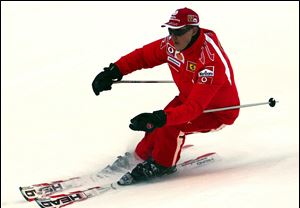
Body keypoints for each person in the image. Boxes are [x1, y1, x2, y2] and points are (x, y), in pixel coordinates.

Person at [92, 7, 240, 185]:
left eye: (179, 31)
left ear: (193, 30)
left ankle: (163, 165)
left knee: (170, 124)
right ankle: (138, 157)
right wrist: (114, 71)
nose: (173, 36)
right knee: (156, 126)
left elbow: (193, 108)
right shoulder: (173, 45)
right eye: (170, 30)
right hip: (188, 97)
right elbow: (144, 56)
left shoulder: (210, 63)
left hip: (216, 112)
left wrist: (160, 118)